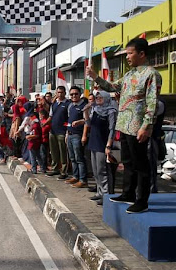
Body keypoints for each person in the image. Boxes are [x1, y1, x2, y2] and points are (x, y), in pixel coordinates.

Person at [87, 37, 161, 214]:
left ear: (141, 54)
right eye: (127, 53)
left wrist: (146, 126)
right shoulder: (129, 74)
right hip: (124, 124)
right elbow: (112, 87)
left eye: (130, 53)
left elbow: (152, 102)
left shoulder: (151, 74)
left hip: (138, 126)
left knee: (140, 164)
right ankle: (128, 193)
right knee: (127, 162)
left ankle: (142, 200)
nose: (127, 57)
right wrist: (95, 77)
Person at [84, 90, 118, 205]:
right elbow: (88, 124)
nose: (98, 99)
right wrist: (86, 111)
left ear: (106, 99)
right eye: (97, 97)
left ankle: (106, 195)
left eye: (100, 97)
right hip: (93, 142)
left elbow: (112, 129)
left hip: (103, 144)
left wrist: (108, 145)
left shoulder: (111, 111)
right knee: (95, 171)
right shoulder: (96, 110)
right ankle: (99, 192)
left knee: (102, 171)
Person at [65, 86, 89, 188]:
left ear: (80, 94)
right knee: (72, 158)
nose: (74, 96)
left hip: (78, 135)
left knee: (79, 158)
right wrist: (67, 134)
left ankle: (83, 179)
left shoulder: (84, 106)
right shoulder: (70, 106)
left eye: (76, 94)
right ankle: (75, 176)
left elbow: (87, 121)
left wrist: (84, 135)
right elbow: (69, 120)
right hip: (70, 134)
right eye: (72, 94)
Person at [46, 86, 70, 178]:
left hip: (62, 132)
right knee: (54, 151)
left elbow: (69, 118)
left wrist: (67, 130)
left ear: (64, 93)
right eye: (58, 92)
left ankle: (64, 171)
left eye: (61, 92)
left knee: (63, 152)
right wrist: (44, 124)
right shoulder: (54, 104)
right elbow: (51, 117)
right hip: (53, 131)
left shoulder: (68, 104)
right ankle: (55, 168)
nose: (60, 94)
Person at [26, 110, 45, 174]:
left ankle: (34, 169)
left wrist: (29, 137)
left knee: (33, 157)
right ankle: (42, 168)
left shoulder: (35, 125)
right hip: (35, 142)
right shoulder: (35, 125)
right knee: (38, 155)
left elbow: (36, 135)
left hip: (33, 143)